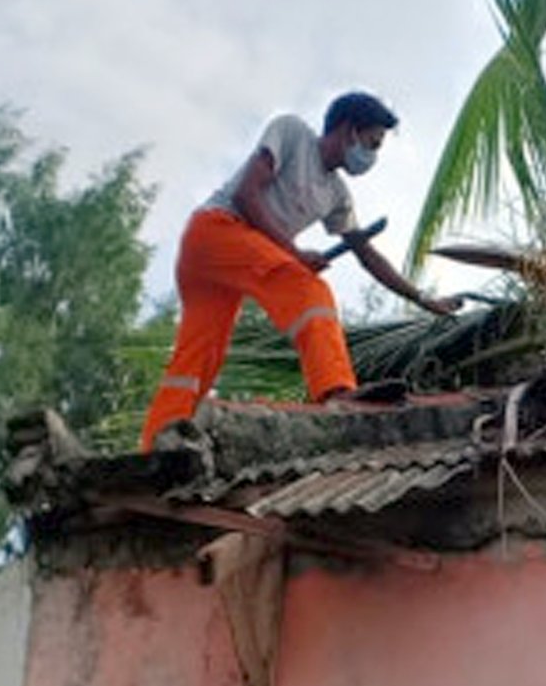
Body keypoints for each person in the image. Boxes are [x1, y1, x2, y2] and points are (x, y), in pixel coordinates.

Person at [140, 91, 462, 451]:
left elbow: (367, 255)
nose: (371, 157)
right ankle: (335, 390)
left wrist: (421, 298)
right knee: (310, 291)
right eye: (372, 144)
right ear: (349, 131)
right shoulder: (292, 133)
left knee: (200, 356)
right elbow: (247, 195)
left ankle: (158, 444)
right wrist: (293, 253)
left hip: (225, 266)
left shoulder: (337, 195)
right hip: (216, 230)